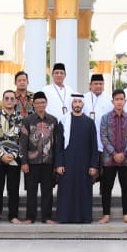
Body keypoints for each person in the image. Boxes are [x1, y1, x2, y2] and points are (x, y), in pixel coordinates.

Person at [54, 92, 100, 224]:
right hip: (67, 164)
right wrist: (59, 164)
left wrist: (93, 165)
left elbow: (94, 146)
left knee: (83, 191)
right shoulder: (64, 121)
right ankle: (64, 217)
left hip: (84, 165)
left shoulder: (89, 122)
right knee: (66, 191)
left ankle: (84, 217)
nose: (77, 105)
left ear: (83, 104)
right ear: (71, 104)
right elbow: (59, 145)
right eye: (75, 102)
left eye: (79, 102)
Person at [18, 91, 61, 224]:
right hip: (32, 162)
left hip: (48, 162)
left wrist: (56, 163)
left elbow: (57, 144)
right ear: (33, 104)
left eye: (43, 102)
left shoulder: (53, 120)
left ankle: (46, 217)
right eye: (37, 103)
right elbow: (22, 143)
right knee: (31, 191)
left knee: (47, 191)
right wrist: (23, 162)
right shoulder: (27, 121)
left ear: (46, 103)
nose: (40, 105)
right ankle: (30, 217)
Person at [98, 89, 127, 223]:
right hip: (109, 160)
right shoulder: (105, 118)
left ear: (125, 101)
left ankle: (126, 215)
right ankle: (106, 215)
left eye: (121, 99)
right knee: (107, 188)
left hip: (126, 160)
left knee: (126, 188)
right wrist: (114, 154)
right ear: (112, 101)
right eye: (117, 99)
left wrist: (124, 153)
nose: (119, 102)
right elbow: (103, 137)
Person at [0, 88, 24, 224]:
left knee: (13, 189)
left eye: (12, 98)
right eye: (6, 98)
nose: (9, 101)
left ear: (15, 101)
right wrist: (2, 155)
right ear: (2, 101)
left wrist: (13, 154)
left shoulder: (21, 119)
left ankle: (13, 215)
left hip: (14, 159)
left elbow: (22, 140)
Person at [46, 62, 73, 140]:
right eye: (56, 73)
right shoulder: (46, 89)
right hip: (51, 125)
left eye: (61, 73)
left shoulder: (70, 90)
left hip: (68, 125)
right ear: (52, 75)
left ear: (65, 75)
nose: (59, 75)